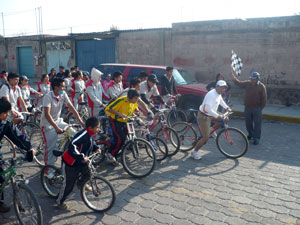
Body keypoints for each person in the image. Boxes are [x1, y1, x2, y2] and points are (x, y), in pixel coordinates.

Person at [56, 116, 101, 210]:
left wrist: (96, 148)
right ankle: (59, 202)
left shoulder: (90, 134)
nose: (99, 129)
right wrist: (81, 156)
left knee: (89, 173)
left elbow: (91, 142)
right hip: (70, 162)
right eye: (97, 127)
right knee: (69, 185)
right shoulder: (83, 134)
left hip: (81, 160)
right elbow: (72, 145)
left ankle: (81, 184)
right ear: (90, 128)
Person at [0, 98, 36, 213]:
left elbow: (17, 135)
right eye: (5, 113)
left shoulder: (5, 124)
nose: (7, 115)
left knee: (1, 178)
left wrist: (29, 148)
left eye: (8, 113)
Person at [40, 78, 84, 167]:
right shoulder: (47, 97)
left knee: (73, 133)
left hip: (58, 120)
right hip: (48, 124)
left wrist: (80, 121)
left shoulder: (62, 94)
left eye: (64, 87)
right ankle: (48, 171)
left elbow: (71, 107)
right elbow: (47, 114)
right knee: (50, 148)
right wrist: (56, 128)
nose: (64, 89)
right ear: (56, 87)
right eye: (62, 87)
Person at [191, 80, 231, 160]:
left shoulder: (218, 93)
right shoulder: (211, 95)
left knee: (223, 120)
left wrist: (227, 107)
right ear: (217, 87)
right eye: (221, 88)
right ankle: (194, 152)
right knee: (205, 138)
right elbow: (207, 108)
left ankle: (211, 130)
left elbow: (220, 100)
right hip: (204, 116)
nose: (223, 90)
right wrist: (217, 115)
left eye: (224, 88)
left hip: (211, 113)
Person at [230, 71, 267, 145]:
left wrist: (260, 108)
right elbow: (238, 83)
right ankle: (251, 134)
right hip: (248, 108)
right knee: (248, 124)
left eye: (254, 79)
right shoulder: (247, 83)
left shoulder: (262, 86)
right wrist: (233, 77)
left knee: (257, 124)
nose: (252, 80)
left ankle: (256, 138)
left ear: (257, 79)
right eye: (251, 79)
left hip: (257, 108)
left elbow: (264, 99)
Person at [104, 89, 140, 165]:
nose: (136, 100)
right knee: (120, 138)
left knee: (126, 137)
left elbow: (135, 108)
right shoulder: (121, 100)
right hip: (115, 121)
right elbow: (109, 108)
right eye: (135, 98)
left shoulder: (133, 102)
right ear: (130, 97)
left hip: (125, 121)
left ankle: (116, 153)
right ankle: (110, 153)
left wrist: (137, 112)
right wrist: (120, 114)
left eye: (137, 98)